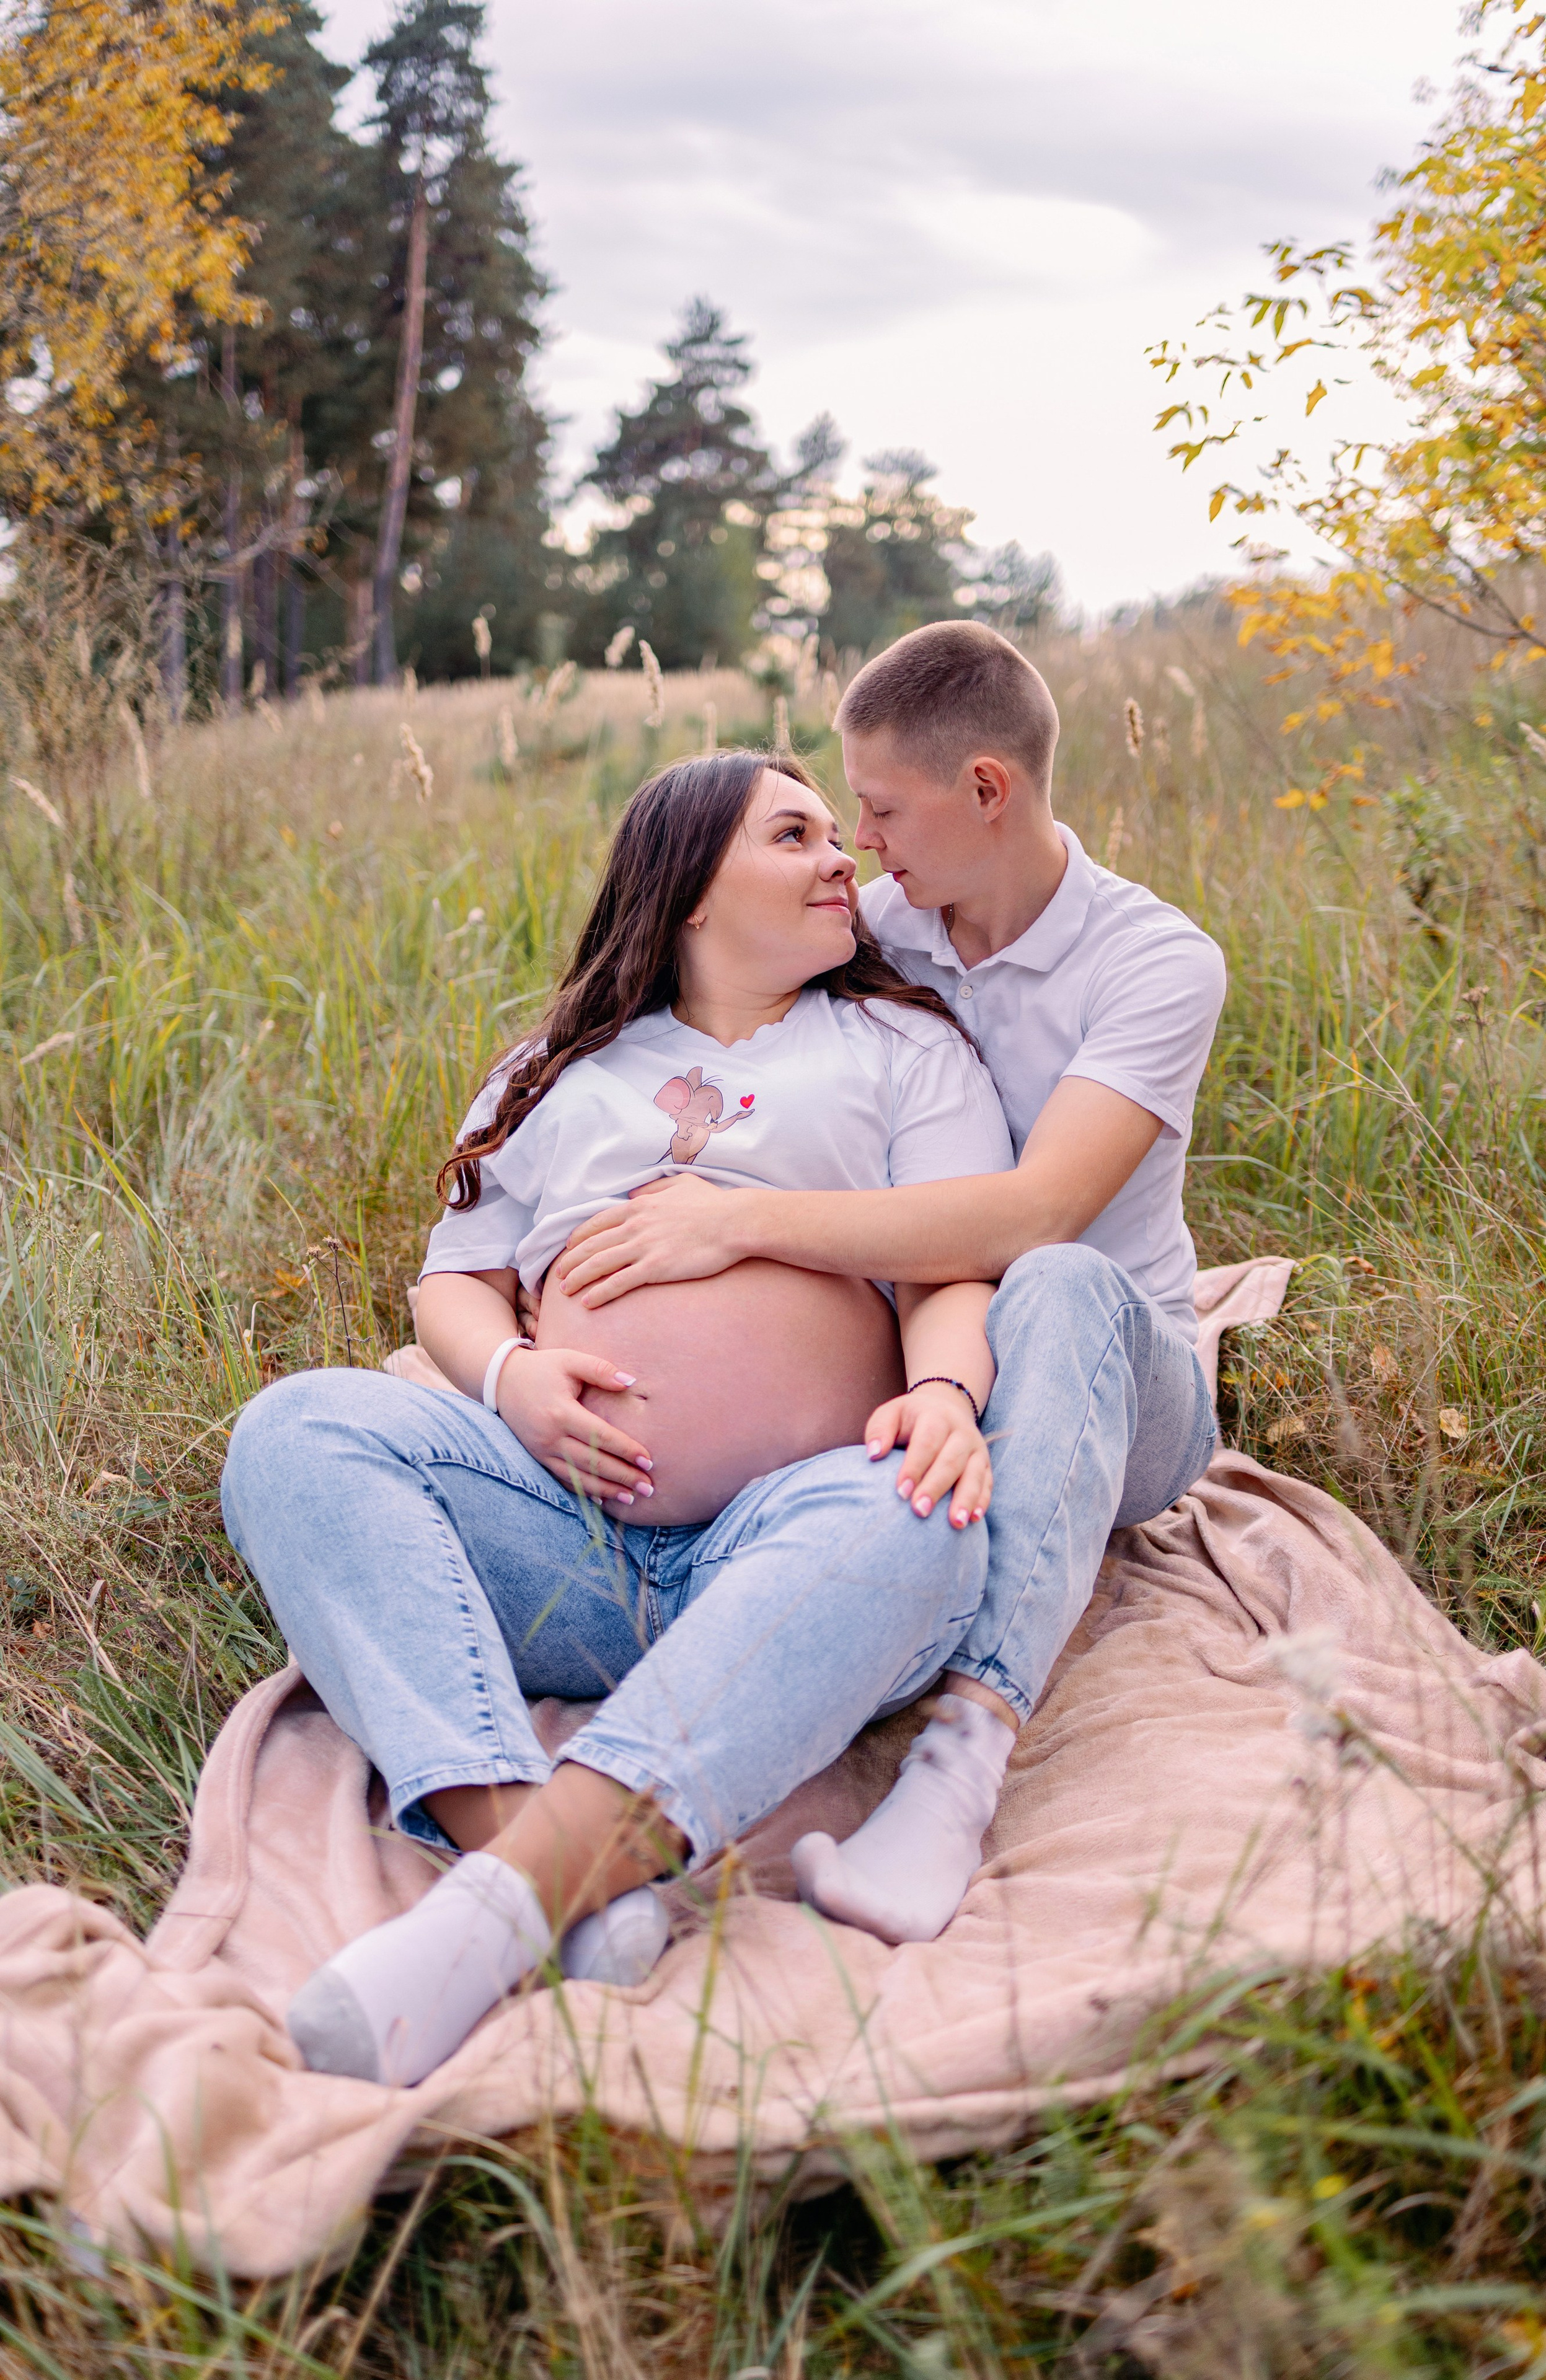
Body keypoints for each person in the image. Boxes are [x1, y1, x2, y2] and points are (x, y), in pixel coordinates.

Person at [222, 748, 1017, 2089]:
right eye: (794, 833)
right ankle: (540, 1860)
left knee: (919, 1516)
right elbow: (455, 1282)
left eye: (840, 834)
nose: (842, 858)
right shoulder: (557, 1071)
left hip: (797, 1541)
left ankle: (492, 1920)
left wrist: (943, 1393)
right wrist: (509, 1382)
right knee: (297, 1431)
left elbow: (955, 1272)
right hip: (569, 1540)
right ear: (691, 888)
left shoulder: (901, 1049)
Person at [550, 622, 1226, 1947]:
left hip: (1121, 1383)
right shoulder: (882, 928)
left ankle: (959, 1759)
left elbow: (1033, 1214)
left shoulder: (1153, 963)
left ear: (988, 789)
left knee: (1058, 1282)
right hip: (934, 1373)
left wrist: (735, 1228)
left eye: (878, 809)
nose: (854, 845)